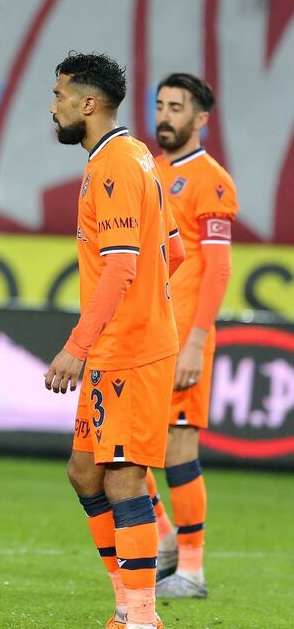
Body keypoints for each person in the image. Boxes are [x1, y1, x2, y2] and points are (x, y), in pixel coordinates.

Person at [45, 51, 184, 629]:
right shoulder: (132, 158)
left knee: (124, 476)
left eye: (58, 96)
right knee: (85, 471)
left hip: (130, 348)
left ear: (87, 104)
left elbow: (123, 265)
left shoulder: (116, 167)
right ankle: (127, 606)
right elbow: (173, 251)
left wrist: (78, 346)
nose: (52, 107)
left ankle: (141, 616)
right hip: (121, 343)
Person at [148, 73, 237, 599]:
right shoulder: (152, 170)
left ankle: (193, 571)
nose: (165, 115)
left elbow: (219, 269)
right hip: (148, 336)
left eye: (176, 107)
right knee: (126, 447)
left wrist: (197, 342)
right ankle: (164, 539)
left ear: (201, 118)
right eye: (161, 105)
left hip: (185, 338)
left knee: (178, 448)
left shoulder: (212, 180)